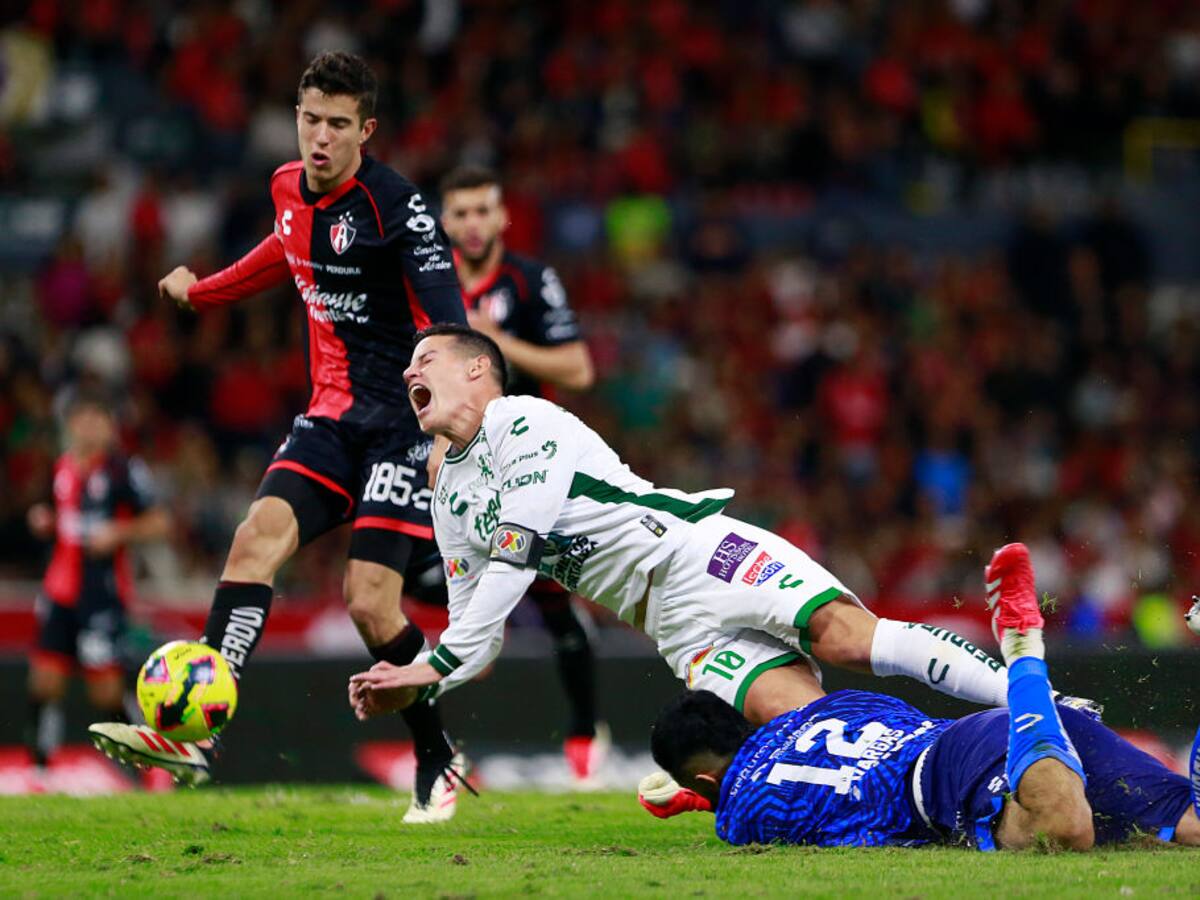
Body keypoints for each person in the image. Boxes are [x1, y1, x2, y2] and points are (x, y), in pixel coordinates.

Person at [88, 51, 470, 823]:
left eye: (337, 124)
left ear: (367, 129)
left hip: (400, 425)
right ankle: (201, 733)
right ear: (295, 118)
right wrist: (205, 289)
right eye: (309, 120)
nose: (319, 137)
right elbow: (285, 251)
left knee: (369, 603)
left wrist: (443, 436)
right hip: (330, 416)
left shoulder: (400, 210)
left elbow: (452, 331)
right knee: (253, 539)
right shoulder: (286, 187)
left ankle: (436, 751)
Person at [346, 325, 1037, 729]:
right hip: (670, 622)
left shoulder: (523, 421)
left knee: (846, 638)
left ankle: (1036, 701)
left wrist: (427, 665)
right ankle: (947, 771)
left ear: (478, 368)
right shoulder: (450, 497)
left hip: (701, 554)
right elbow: (478, 632)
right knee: (802, 724)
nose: (410, 370)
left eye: (425, 359)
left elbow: (516, 555)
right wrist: (419, 683)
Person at [642, 544, 1200, 850]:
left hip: (951, 785)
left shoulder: (739, 818)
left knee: (1063, 833)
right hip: (990, 735)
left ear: (707, 783)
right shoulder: (834, 705)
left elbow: (741, 795)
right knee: (1191, 830)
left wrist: (698, 799)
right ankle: (1030, 694)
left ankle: (1024, 652)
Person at [439, 165, 603, 784]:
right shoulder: (431, 284)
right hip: (457, 468)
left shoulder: (532, 280)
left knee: (556, 603)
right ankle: (445, 747)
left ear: (503, 216)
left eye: (484, 210)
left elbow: (579, 369)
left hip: (529, 462)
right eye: (461, 213)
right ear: (445, 222)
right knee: (443, 591)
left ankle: (585, 735)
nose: (474, 224)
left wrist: (499, 342)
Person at [27, 392, 170, 771]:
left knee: (104, 691)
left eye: (97, 419)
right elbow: (60, 518)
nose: (89, 427)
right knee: (43, 681)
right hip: (60, 592)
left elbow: (161, 522)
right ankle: (41, 767)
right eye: (82, 419)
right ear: (71, 425)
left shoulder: (124, 471)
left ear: (110, 427)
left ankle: (147, 756)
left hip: (102, 596)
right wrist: (44, 521)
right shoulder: (62, 468)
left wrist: (118, 532)